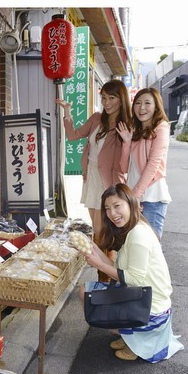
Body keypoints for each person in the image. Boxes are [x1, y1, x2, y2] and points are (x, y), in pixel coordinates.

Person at [81, 183, 184, 362]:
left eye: (117, 206)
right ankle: (130, 335)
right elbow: (120, 269)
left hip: (149, 307)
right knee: (87, 291)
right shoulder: (134, 228)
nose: (112, 213)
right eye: (107, 208)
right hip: (144, 296)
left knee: (88, 295)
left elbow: (134, 280)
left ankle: (135, 339)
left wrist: (100, 264)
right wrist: (94, 249)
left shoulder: (138, 235)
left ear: (131, 204)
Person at [55, 79, 132, 280]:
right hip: (91, 179)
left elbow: (124, 166)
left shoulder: (125, 126)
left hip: (109, 184)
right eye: (104, 98)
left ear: (121, 99)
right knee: (100, 232)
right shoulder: (97, 118)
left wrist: (126, 143)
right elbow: (73, 136)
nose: (107, 103)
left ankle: (105, 277)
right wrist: (67, 112)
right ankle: (109, 276)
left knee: (101, 233)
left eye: (112, 98)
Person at [117, 88, 172, 238]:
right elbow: (123, 168)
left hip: (151, 198)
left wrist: (135, 196)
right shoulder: (134, 131)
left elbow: (153, 164)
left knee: (151, 249)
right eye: (138, 103)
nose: (141, 108)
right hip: (133, 197)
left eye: (147, 103)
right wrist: (127, 142)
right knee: (134, 247)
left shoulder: (161, 127)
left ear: (156, 106)